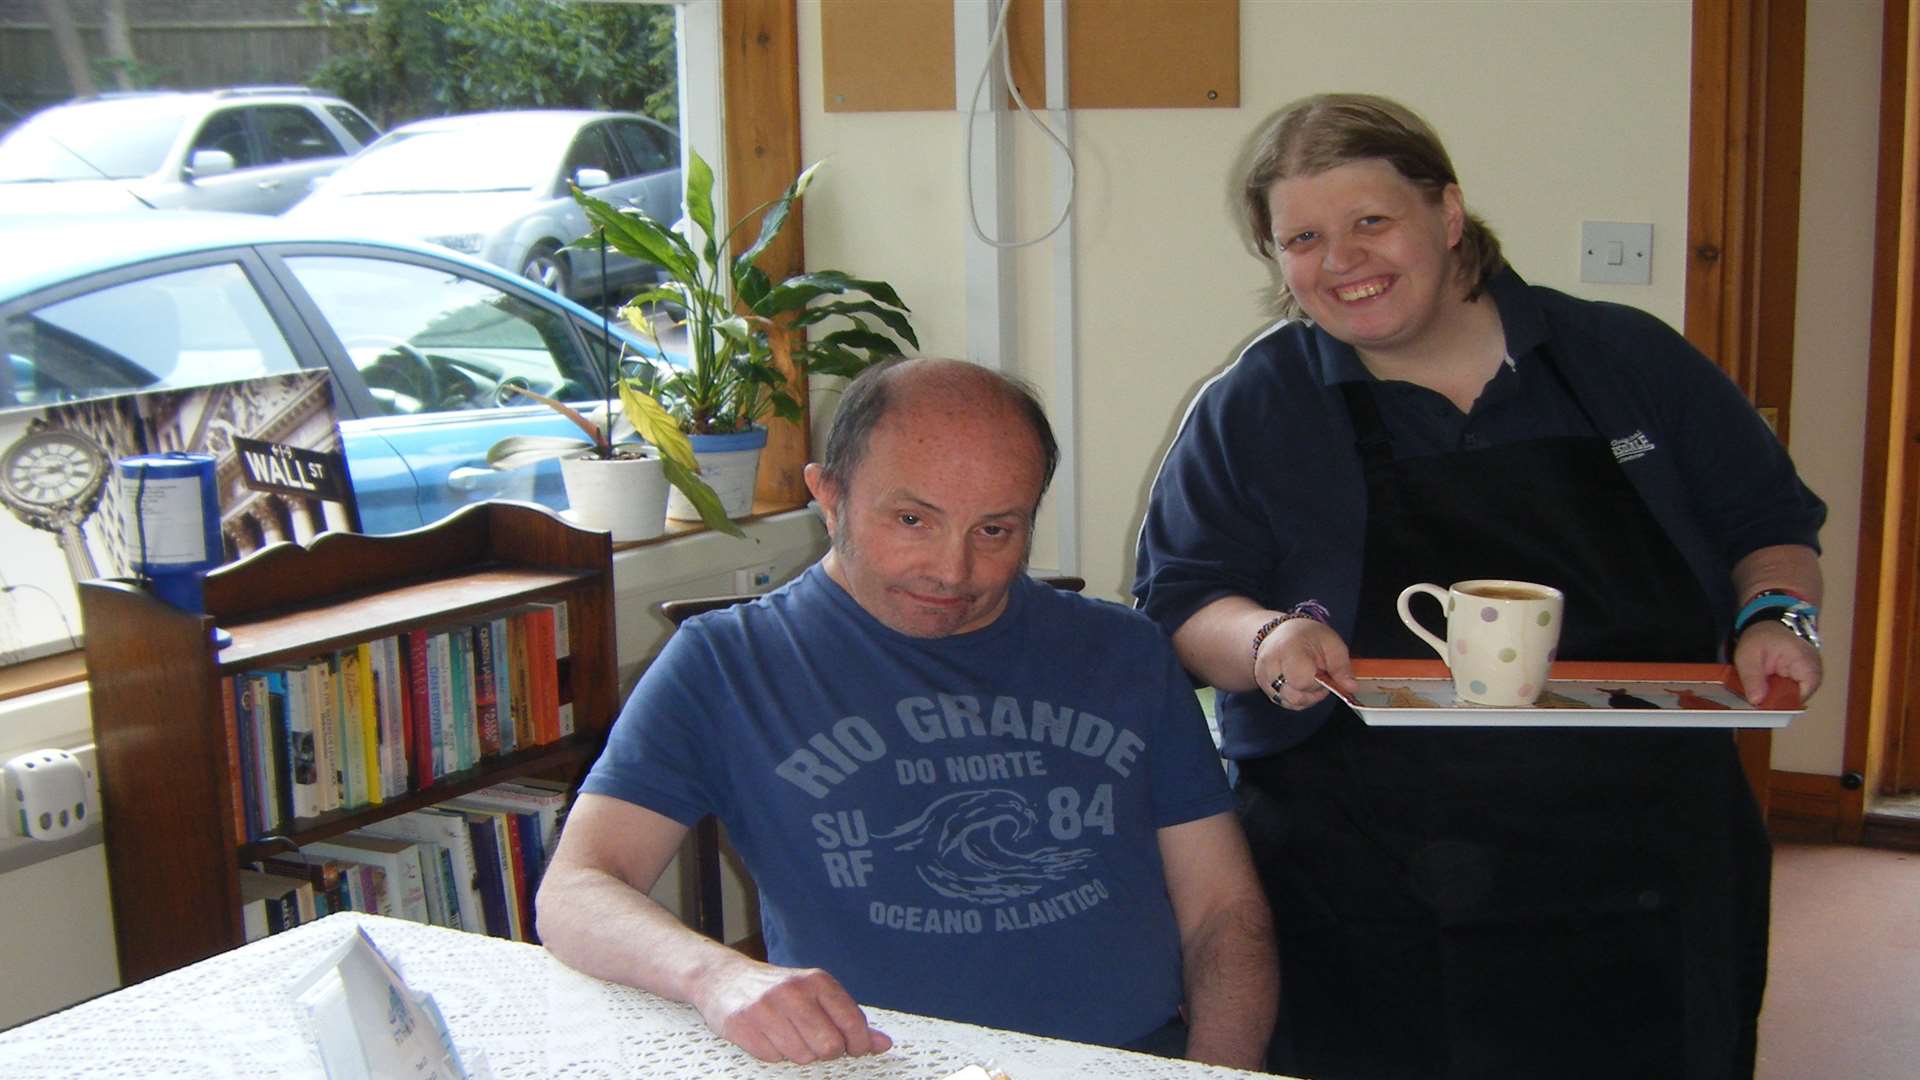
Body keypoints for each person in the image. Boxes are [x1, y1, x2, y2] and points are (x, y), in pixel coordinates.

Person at [1134, 94, 1826, 1080]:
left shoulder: (1623, 361)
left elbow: (1770, 526)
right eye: (1303, 238)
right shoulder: (1257, 406)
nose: (1342, 261)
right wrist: (1263, 642)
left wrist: (1777, 617)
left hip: (1647, 864)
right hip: (1369, 879)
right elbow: (1183, 602)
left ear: (1447, 215)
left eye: (1372, 221)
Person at [540, 358, 1277, 1067]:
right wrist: (717, 975)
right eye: (912, 520)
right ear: (828, 496)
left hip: (1129, 1060)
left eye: (995, 530)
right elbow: (576, 889)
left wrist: (1215, 1072)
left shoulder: (1127, 652)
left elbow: (1223, 911)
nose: (952, 572)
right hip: (871, 1067)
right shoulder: (727, 664)